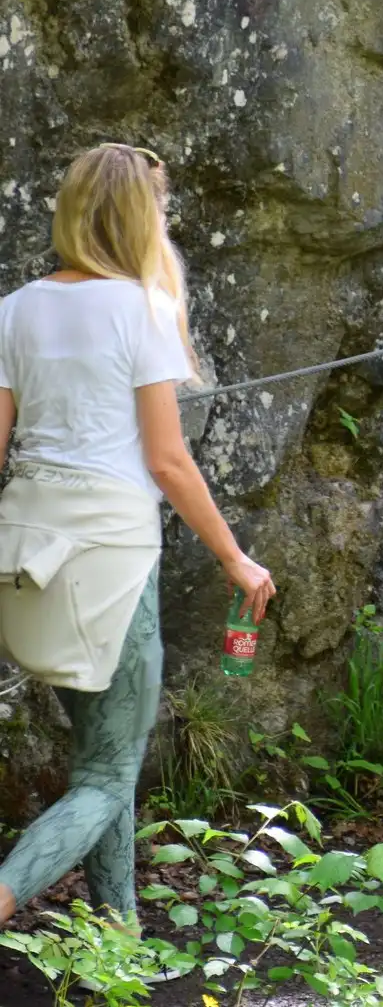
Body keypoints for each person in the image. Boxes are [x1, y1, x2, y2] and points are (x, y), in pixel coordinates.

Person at [0, 144, 276, 927]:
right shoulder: (141, 308)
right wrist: (235, 557)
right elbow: (168, 460)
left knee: (103, 761)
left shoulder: (15, 308)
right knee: (108, 774)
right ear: (138, 216)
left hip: (26, 557)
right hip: (110, 564)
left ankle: (116, 941)